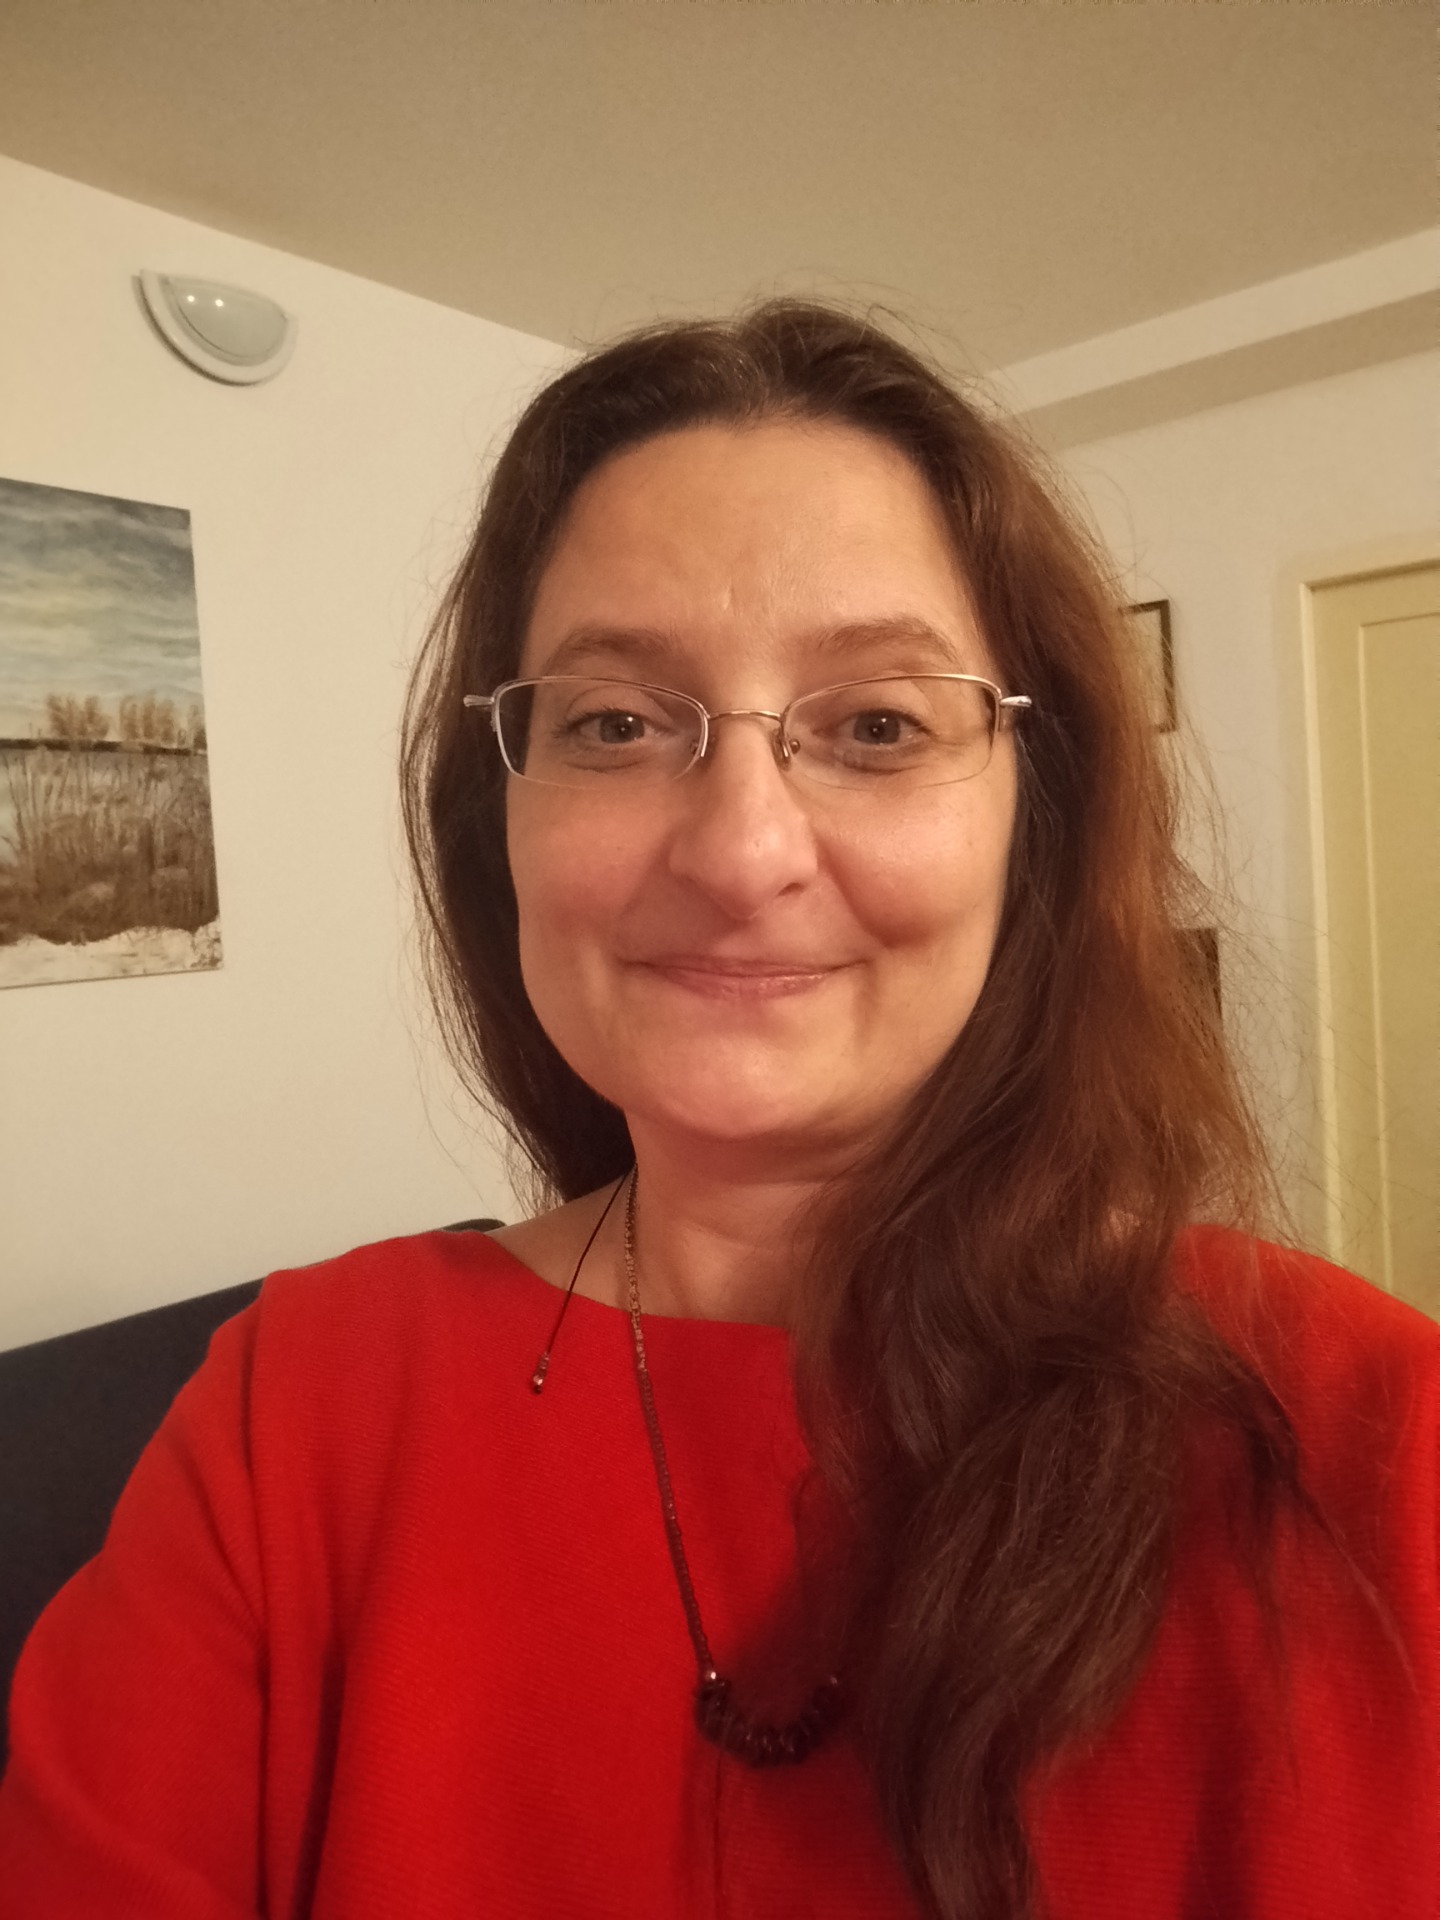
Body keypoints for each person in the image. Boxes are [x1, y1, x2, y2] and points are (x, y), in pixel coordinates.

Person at [0, 302, 1435, 1920]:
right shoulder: (300, 1405)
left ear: (1034, 825)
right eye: (615, 723)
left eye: (878, 725)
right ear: (502, 824)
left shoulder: (1375, 1440)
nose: (744, 852)